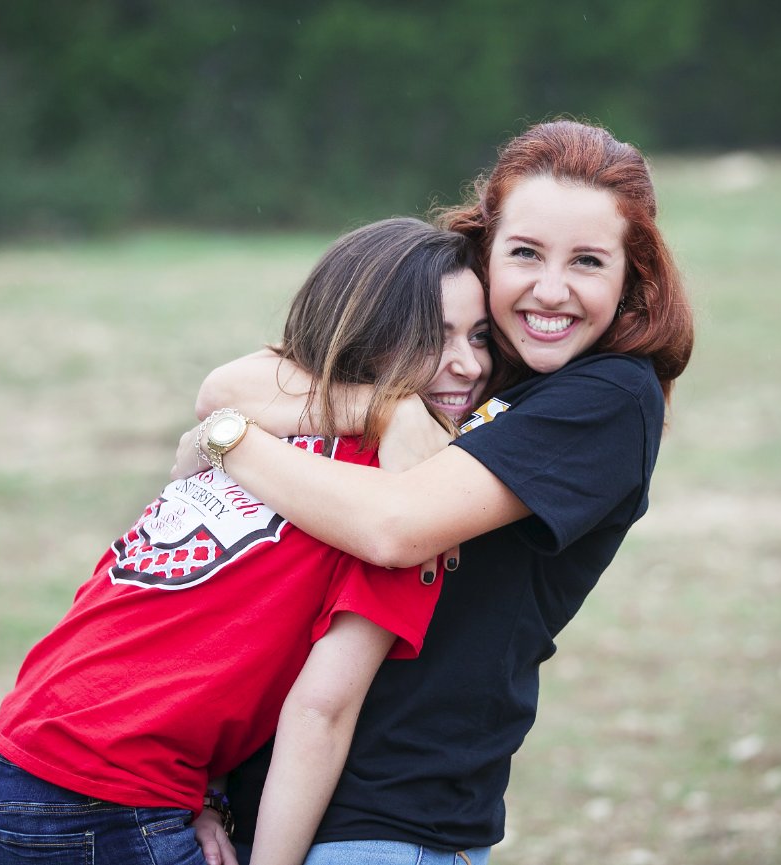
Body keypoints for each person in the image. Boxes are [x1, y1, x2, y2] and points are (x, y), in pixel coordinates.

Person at [173, 119, 695, 865]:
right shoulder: (465, 356)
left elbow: (395, 528)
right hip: (252, 800)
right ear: (485, 251)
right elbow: (228, 384)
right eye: (524, 253)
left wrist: (230, 443)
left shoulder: (608, 396)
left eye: (587, 261)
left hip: (390, 822)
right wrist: (383, 407)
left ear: (632, 276)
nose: (550, 290)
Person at [0, 217, 492, 865]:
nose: (469, 365)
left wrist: (203, 790)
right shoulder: (390, 502)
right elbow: (320, 712)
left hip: (11, 764)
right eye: (433, 339)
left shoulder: (258, 432)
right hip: (109, 802)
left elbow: (176, 619)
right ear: (368, 338)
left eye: (479, 336)